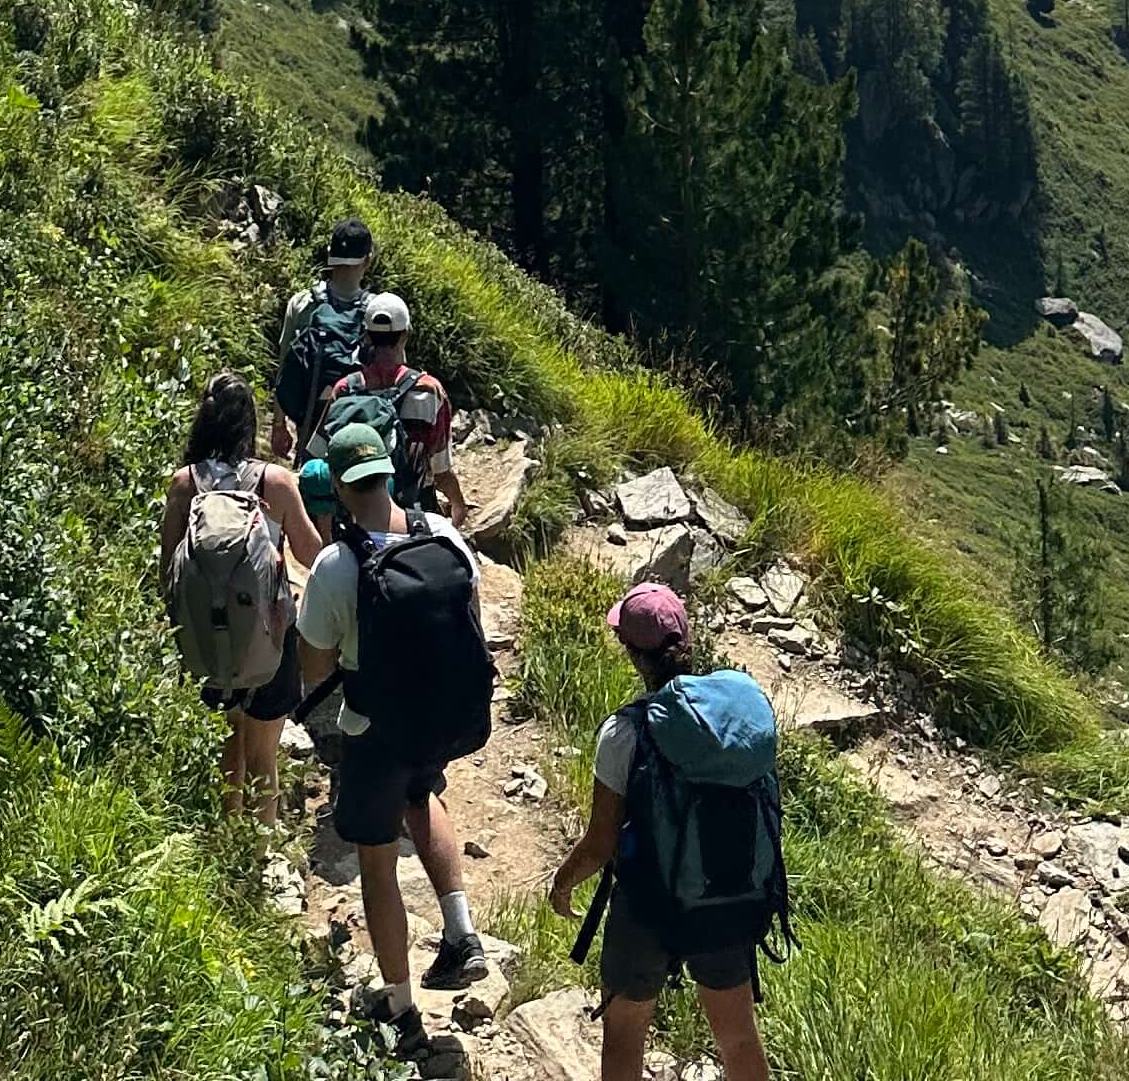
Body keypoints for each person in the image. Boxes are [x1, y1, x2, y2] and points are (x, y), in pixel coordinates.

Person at [296, 419, 496, 1052]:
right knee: (425, 796)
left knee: (377, 860)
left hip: (376, 726)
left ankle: (401, 1010)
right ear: (388, 473)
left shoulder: (337, 563)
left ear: (341, 488)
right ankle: (460, 933)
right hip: (439, 717)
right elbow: (469, 614)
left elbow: (316, 665)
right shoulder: (444, 536)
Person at [546, 585, 781, 1081]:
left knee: (625, 1035)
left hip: (647, 906)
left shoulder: (625, 732)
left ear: (630, 652)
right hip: (728, 895)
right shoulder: (735, 711)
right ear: (687, 638)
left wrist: (562, 882)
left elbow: (601, 842)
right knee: (737, 1035)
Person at [162, 372, 320, 816]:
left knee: (226, 745)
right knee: (264, 755)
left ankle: (226, 845)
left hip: (207, 636)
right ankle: (260, 852)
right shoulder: (277, 482)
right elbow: (312, 555)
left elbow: (168, 573)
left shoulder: (184, 484)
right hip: (270, 634)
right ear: (249, 423)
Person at [311, 290, 466, 523]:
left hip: (356, 516)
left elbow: (318, 455)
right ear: (405, 335)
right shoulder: (429, 391)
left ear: (367, 336)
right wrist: (458, 504)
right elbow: (441, 472)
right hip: (412, 516)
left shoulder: (344, 389)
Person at [272, 215, 377, 459]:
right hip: (361, 429)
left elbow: (285, 365)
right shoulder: (377, 311)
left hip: (309, 424)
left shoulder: (302, 303)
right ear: (368, 260)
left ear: (330, 253)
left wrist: (279, 424)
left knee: (311, 484)